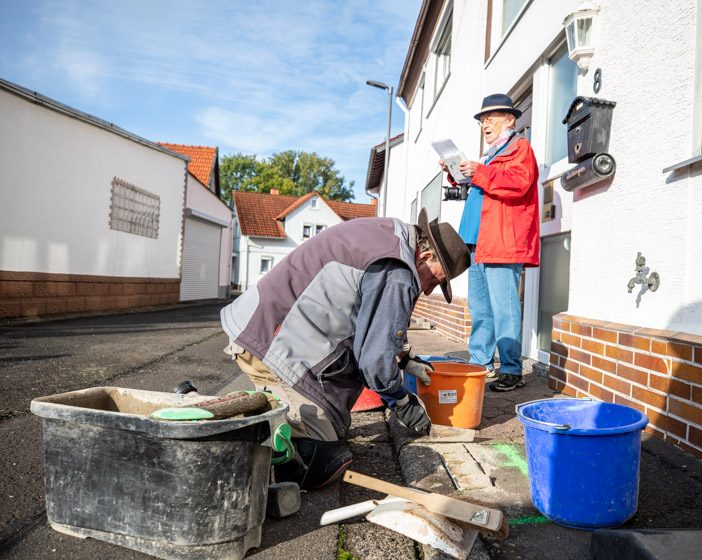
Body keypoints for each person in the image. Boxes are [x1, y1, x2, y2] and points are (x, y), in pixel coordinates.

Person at [220, 208, 470, 490]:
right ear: (424, 256)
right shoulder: (398, 271)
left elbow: (371, 321)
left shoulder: (390, 236)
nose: (428, 291)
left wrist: (404, 359)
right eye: (435, 281)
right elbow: (374, 363)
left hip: (261, 326)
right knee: (322, 455)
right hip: (271, 343)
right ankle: (226, 432)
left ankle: (263, 406)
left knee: (336, 427)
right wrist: (401, 401)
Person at [439, 93, 540, 392]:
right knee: (480, 308)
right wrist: (456, 173)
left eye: (491, 119)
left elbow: (518, 183)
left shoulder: (520, 147)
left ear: (510, 119)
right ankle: (480, 364)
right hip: (477, 242)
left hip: (502, 242)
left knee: (504, 308)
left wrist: (479, 171)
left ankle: (510, 370)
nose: (485, 125)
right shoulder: (490, 155)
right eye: (483, 121)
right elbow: (484, 184)